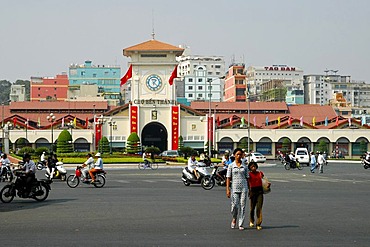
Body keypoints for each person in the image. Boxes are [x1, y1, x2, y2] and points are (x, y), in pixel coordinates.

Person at [226, 148, 248, 231]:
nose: (239, 156)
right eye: (237, 154)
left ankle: (240, 223)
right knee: (235, 205)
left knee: (243, 206)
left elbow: (247, 177)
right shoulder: (231, 165)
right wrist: (227, 189)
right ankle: (234, 218)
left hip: (244, 188)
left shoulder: (244, 166)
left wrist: (250, 189)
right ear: (234, 155)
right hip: (234, 188)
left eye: (240, 154)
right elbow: (228, 178)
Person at [248, 161, 269, 230]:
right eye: (252, 166)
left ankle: (258, 223)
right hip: (252, 192)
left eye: (254, 166)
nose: (253, 167)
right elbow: (248, 184)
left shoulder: (260, 173)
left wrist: (267, 184)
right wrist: (249, 191)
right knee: (252, 208)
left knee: (259, 208)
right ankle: (251, 220)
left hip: (260, 192)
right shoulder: (249, 174)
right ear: (250, 168)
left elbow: (264, 180)